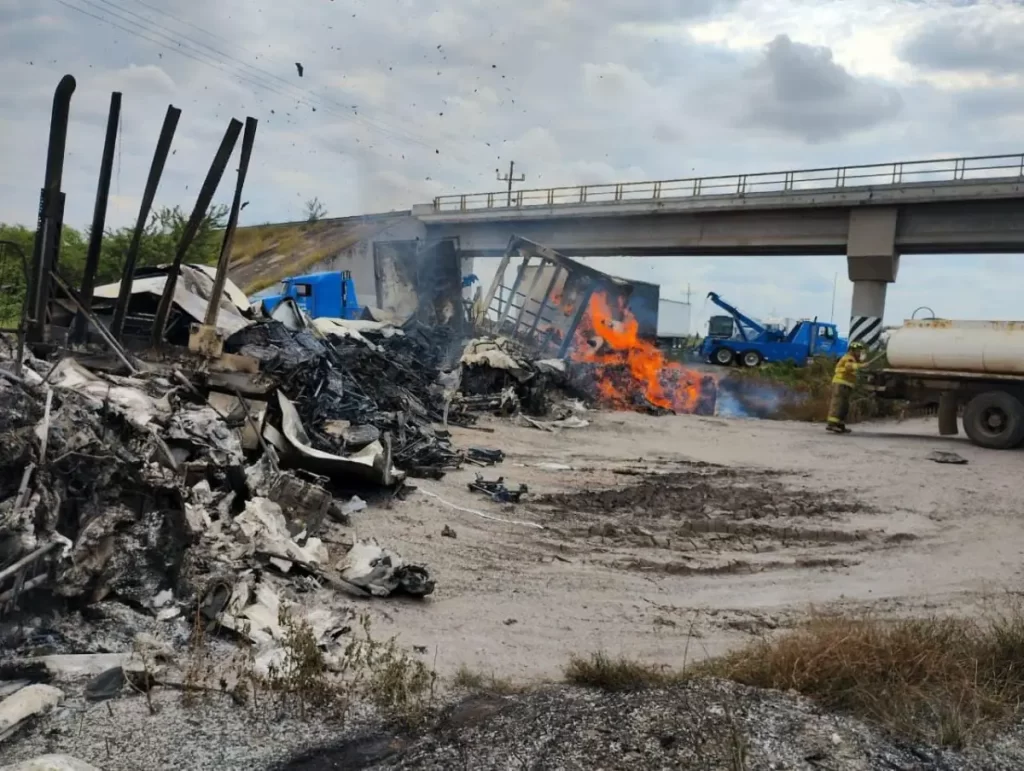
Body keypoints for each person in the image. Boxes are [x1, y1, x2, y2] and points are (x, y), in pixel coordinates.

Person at [827, 342, 868, 434]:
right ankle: (832, 424)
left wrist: (862, 363)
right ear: (851, 351)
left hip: (846, 385)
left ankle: (840, 424)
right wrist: (862, 365)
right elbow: (849, 367)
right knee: (838, 404)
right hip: (841, 383)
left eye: (860, 351)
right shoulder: (848, 358)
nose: (859, 353)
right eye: (858, 351)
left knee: (844, 406)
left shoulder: (853, 359)